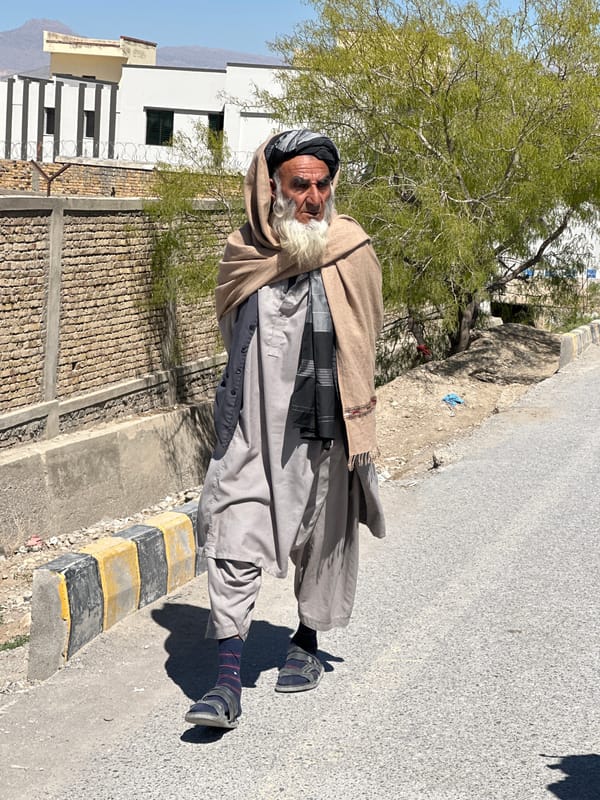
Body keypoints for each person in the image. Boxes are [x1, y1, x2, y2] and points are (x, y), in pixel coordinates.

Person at [185, 129, 385, 729]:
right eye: (300, 184)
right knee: (234, 531)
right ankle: (226, 683)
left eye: (323, 185)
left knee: (323, 537)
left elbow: (364, 336)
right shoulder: (243, 253)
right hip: (253, 427)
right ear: (271, 185)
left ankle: (306, 639)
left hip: (328, 426)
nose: (314, 197)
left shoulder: (350, 248)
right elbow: (232, 336)